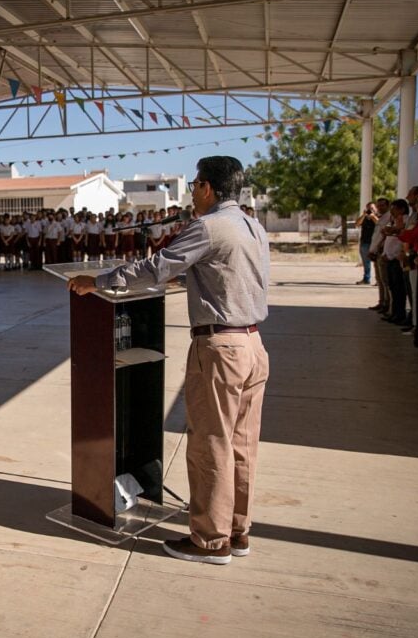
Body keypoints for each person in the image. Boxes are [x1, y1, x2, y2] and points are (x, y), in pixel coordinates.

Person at [69, 156, 270, 565]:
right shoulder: (253, 226)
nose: (193, 192)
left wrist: (100, 281)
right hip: (253, 345)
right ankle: (237, 531)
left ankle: (210, 541)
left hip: (220, 350)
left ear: (208, 188)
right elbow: (223, 274)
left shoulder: (208, 226)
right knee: (241, 445)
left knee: (210, 445)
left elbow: (157, 266)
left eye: (196, 184)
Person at [356, 202, 379, 284]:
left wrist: (373, 216)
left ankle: (378, 280)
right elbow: (357, 224)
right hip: (365, 242)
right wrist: (363, 215)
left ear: (376, 209)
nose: (370, 210)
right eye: (369, 208)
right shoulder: (364, 217)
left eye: (372, 208)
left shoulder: (379, 216)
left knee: (377, 263)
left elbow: (379, 223)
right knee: (366, 262)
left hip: (375, 243)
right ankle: (366, 279)